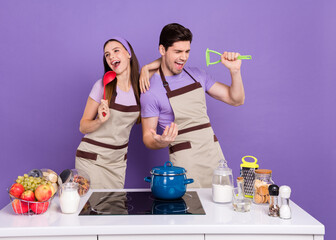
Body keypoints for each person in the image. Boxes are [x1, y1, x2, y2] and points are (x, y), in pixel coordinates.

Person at [140, 23, 245, 188]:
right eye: (178, 52)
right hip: (185, 160)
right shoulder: (151, 91)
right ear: (162, 50)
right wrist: (161, 141)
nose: (183, 57)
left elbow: (236, 100)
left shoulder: (197, 75)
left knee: (222, 206)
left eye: (187, 51)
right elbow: (147, 137)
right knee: (192, 209)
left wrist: (235, 71)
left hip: (213, 154)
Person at [75, 37, 143, 189]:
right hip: (93, 160)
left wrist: (146, 69)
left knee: (114, 209)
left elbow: (163, 67)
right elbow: (83, 126)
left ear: (129, 53)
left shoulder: (141, 88)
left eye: (116, 51)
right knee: (92, 210)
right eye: (107, 55)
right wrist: (99, 121)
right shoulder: (102, 86)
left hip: (117, 163)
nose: (111, 56)